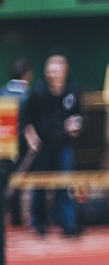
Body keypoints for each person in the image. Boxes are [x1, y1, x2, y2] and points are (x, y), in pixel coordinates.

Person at [20, 50, 84, 237]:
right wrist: (31, 138)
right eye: (51, 70)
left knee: (64, 184)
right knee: (40, 186)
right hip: (41, 145)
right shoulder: (37, 91)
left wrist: (76, 126)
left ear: (65, 70)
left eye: (58, 70)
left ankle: (66, 222)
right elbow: (25, 119)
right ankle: (38, 223)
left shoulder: (72, 89)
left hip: (63, 144)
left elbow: (81, 115)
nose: (54, 74)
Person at [2, 58, 32, 228]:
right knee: (16, 181)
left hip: (4, 143)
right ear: (27, 75)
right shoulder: (29, 95)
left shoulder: (2, 92)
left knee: (6, 179)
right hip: (21, 143)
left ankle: (12, 216)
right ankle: (16, 218)